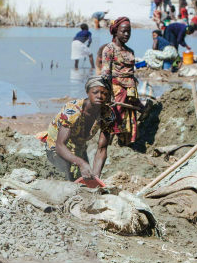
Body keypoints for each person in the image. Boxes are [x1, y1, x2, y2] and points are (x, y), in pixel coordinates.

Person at [40, 76, 115, 181]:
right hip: (57, 147)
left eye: (105, 94)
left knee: (87, 180)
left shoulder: (107, 115)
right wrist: (81, 162)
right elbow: (60, 145)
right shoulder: (73, 110)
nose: (100, 96)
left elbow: (102, 149)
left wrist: (96, 177)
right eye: (95, 92)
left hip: (79, 146)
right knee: (64, 179)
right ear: (88, 92)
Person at [96, 17, 140, 146]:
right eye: (123, 31)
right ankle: (105, 148)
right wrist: (108, 95)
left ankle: (125, 146)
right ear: (116, 32)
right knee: (114, 120)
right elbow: (105, 74)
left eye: (129, 31)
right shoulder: (109, 49)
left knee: (128, 121)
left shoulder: (130, 51)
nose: (126, 34)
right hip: (116, 90)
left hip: (130, 91)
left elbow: (131, 73)